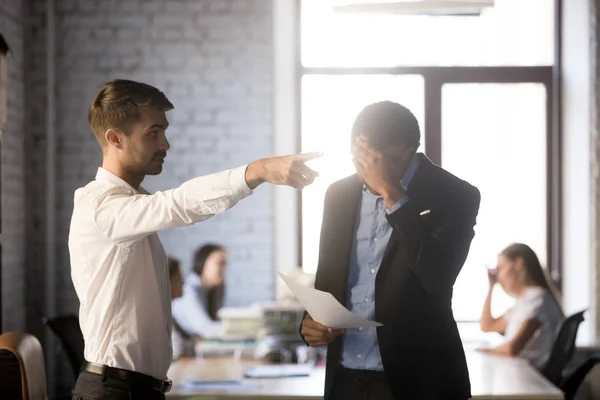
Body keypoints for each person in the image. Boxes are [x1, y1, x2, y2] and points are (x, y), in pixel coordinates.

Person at [69, 79, 320, 400]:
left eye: (164, 131)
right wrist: (257, 171)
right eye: (153, 133)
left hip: (135, 389)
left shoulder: (128, 205)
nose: (165, 144)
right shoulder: (101, 206)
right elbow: (179, 203)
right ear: (115, 138)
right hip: (114, 391)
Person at [299, 101, 481, 400]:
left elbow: (437, 277)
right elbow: (329, 282)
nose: (367, 171)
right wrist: (310, 323)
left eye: (379, 162)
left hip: (420, 379)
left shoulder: (456, 195)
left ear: (408, 153)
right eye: (359, 160)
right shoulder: (338, 195)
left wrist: (393, 195)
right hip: (346, 376)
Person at [479, 243, 564, 369]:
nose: (498, 276)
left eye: (500, 268)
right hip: (521, 374)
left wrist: (482, 351)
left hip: (531, 379)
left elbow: (512, 348)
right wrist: (491, 286)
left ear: (518, 263)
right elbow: (487, 326)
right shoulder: (524, 302)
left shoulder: (537, 300)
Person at [172, 244, 228, 338]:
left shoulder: (208, 291)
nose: (224, 269)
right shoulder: (189, 291)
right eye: (220, 263)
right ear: (203, 262)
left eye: (225, 264)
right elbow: (205, 328)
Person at [168, 256, 196, 360]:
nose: (183, 283)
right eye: (179, 279)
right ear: (167, 282)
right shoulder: (158, 316)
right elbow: (176, 349)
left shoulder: (169, 311)